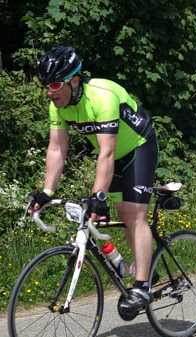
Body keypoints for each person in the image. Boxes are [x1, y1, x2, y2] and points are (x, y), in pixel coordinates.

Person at [31, 46, 158, 313]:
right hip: (113, 155)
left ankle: (142, 285)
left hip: (138, 147)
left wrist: (98, 196)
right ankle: (145, 268)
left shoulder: (102, 96)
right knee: (123, 215)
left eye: (55, 84)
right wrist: (46, 192)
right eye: (46, 86)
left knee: (134, 215)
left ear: (75, 81)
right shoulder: (58, 107)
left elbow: (106, 152)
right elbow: (57, 149)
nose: (50, 92)